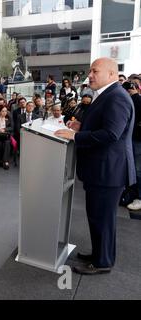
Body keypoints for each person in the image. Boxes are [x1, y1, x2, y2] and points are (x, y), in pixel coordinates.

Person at [55, 57, 136, 275]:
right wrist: (82, 126)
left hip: (109, 171)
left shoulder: (116, 97)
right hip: (102, 170)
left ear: (111, 74)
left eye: (95, 71)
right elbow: (105, 126)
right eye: (90, 71)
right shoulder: (107, 95)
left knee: (103, 219)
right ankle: (99, 254)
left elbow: (111, 134)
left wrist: (76, 136)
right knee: (98, 217)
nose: (89, 75)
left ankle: (103, 263)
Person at [123, 81, 141, 211]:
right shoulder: (134, 100)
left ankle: (138, 197)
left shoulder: (135, 101)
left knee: (137, 169)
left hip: (137, 140)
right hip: (133, 139)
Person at [0, 105, 13, 170]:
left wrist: (4, 129)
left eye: (6, 111)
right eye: (3, 111)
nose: (5, 112)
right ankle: (0, 160)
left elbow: (12, 127)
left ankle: (5, 161)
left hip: (6, 135)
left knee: (7, 142)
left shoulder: (9, 118)